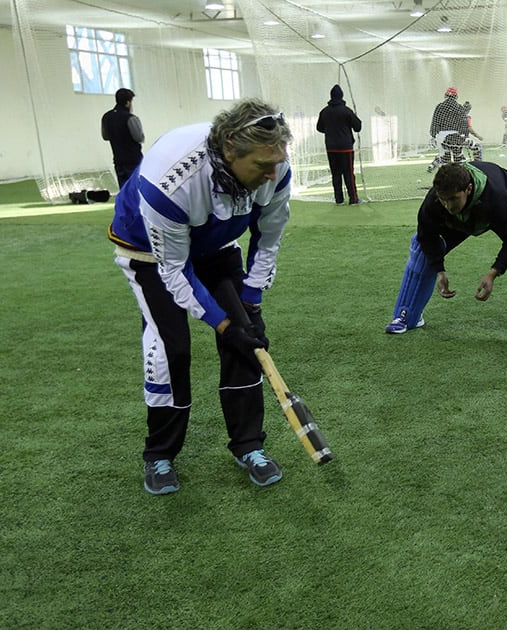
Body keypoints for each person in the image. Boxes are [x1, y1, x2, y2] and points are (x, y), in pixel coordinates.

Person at [108, 98, 294, 495]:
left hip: (215, 244)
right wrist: (225, 325)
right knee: (170, 348)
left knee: (247, 342)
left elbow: (269, 236)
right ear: (230, 149)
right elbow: (174, 271)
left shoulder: (274, 169)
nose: (273, 173)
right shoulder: (170, 184)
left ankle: (249, 447)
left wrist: (250, 302)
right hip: (148, 251)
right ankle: (158, 454)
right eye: (262, 166)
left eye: (277, 162)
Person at [385, 161, 507, 351]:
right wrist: (439, 270)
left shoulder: (495, 198)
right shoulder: (435, 202)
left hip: (494, 209)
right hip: (460, 220)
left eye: (453, 198)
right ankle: (407, 315)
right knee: (420, 251)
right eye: (443, 199)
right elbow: (427, 237)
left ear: (468, 189)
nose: (448, 205)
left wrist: (493, 272)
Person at [316, 84, 363, 205]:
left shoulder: (324, 112)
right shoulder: (346, 111)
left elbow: (319, 128)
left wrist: (331, 131)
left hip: (331, 148)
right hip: (345, 148)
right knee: (348, 174)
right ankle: (353, 199)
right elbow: (358, 127)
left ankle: (339, 199)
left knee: (335, 174)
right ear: (341, 96)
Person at [101, 88, 145, 189]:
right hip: (134, 160)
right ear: (128, 102)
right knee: (137, 190)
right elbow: (139, 137)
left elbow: (105, 136)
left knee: (124, 189)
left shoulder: (106, 117)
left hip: (118, 160)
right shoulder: (130, 118)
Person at [427, 86, 468, 172]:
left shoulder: (440, 107)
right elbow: (464, 123)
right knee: (458, 159)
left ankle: (445, 180)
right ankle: (460, 178)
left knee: (444, 159)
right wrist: (464, 136)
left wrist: (433, 135)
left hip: (442, 136)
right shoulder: (459, 107)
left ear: (446, 95)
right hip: (456, 136)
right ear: (456, 96)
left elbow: (435, 121)